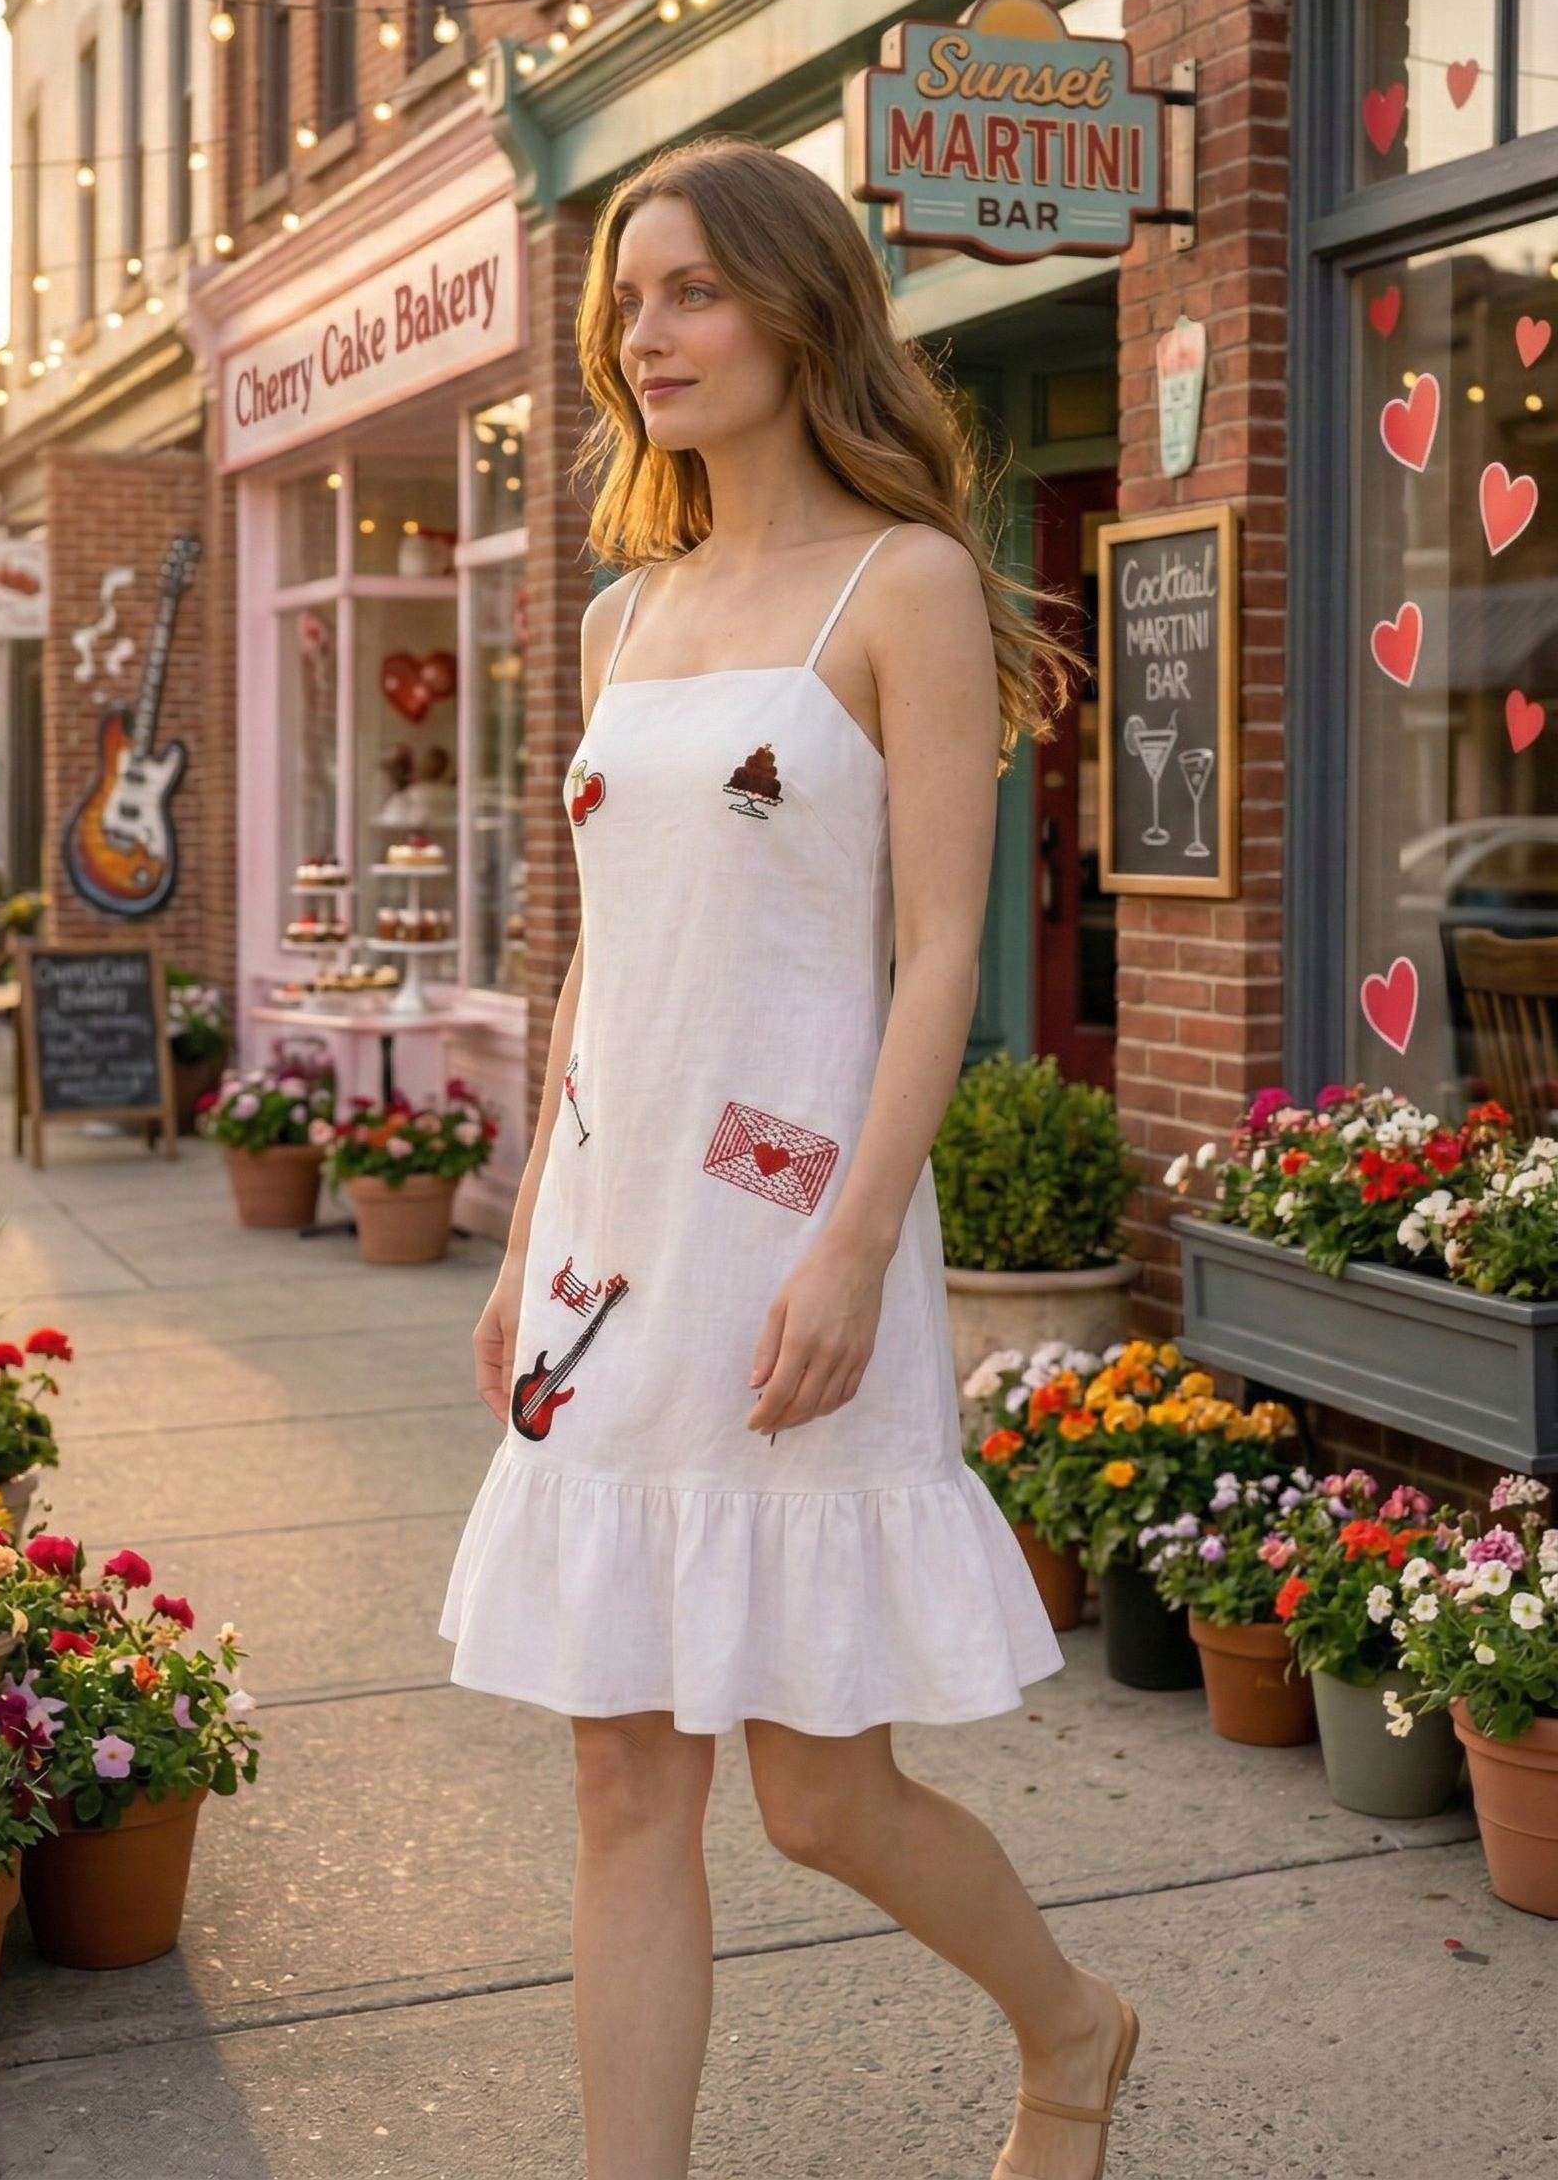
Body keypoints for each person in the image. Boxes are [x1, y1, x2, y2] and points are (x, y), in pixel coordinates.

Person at [441, 137, 1138, 2180]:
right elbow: (593, 955)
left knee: (820, 1798)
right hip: (602, 1248)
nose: (640, 333)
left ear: (797, 305)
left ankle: (1070, 2026)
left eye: (686, 292)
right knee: (620, 1794)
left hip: (789, 1231)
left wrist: (849, 1246)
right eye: (624, 302)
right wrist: (514, 1245)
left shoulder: (901, 585)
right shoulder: (618, 615)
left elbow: (940, 956)